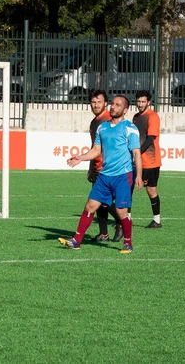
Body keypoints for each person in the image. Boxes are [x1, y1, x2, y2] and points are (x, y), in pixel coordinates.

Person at [59, 95, 143, 254]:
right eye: (112, 103)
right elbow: (96, 151)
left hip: (123, 176)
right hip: (104, 176)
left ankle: (128, 243)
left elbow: (137, 154)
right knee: (90, 206)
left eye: (117, 105)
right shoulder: (102, 128)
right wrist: (80, 158)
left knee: (121, 211)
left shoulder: (130, 128)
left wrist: (138, 175)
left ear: (125, 110)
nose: (113, 107)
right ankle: (76, 241)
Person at [87, 90, 123, 243]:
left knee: (102, 201)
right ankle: (104, 233)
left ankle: (122, 221)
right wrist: (91, 167)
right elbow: (94, 146)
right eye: (93, 102)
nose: (96, 105)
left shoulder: (109, 121)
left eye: (99, 102)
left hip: (108, 169)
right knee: (101, 203)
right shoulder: (95, 122)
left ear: (105, 103)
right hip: (98, 167)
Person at [132, 90, 162, 228]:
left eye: (143, 101)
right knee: (128, 188)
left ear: (148, 102)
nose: (140, 104)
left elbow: (150, 139)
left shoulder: (153, 117)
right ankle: (126, 218)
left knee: (151, 190)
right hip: (135, 161)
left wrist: (137, 152)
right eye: (138, 101)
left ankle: (157, 220)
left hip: (150, 161)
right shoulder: (136, 117)